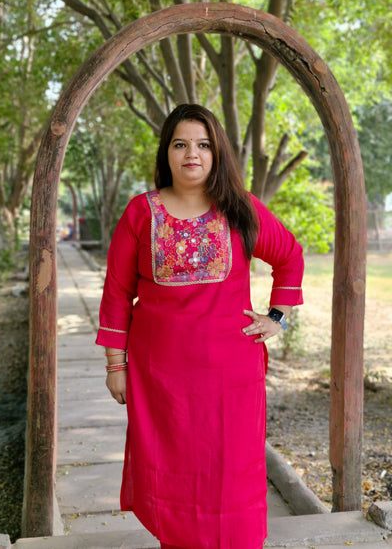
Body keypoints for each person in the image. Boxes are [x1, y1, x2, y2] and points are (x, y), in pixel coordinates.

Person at [96, 104, 304, 548]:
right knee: (172, 477)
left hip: (231, 378)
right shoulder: (140, 213)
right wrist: (116, 365)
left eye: (204, 144)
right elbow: (116, 292)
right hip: (161, 381)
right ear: (167, 152)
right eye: (181, 144)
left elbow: (289, 256)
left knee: (232, 475)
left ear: (217, 153)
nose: (193, 153)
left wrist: (277, 318)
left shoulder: (239, 208)